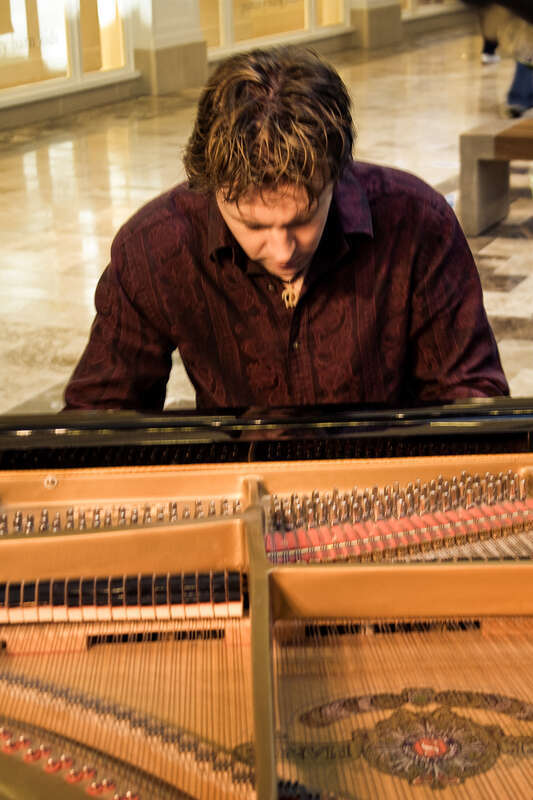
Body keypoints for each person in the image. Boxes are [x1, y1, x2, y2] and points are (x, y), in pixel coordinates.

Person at [64, 47, 509, 412]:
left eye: (301, 220)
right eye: (253, 225)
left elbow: (469, 396)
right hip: (239, 483)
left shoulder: (416, 222)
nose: (281, 251)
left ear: (337, 175)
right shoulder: (157, 245)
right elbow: (103, 413)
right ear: (210, 188)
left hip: (386, 493)